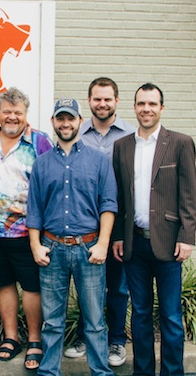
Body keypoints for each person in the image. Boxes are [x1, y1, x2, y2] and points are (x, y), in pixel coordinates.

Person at [112, 83, 196, 375]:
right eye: (141, 104)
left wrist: (187, 237)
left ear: (162, 108)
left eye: (152, 104)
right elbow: (122, 197)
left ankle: (173, 372)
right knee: (140, 314)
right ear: (134, 107)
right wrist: (119, 237)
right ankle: (144, 371)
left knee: (172, 317)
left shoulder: (180, 143)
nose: (146, 109)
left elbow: (189, 194)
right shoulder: (122, 146)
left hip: (169, 244)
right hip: (135, 245)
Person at [27, 98, 117, 376]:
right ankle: (48, 372)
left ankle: (101, 372)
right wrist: (35, 246)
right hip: (52, 249)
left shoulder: (98, 161)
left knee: (94, 320)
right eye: (60, 118)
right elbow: (34, 209)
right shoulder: (42, 164)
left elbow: (108, 204)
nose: (65, 124)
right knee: (52, 321)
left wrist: (102, 244)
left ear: (80, 121)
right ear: (53, 122)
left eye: (70, 118)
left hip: (89, 249)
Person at [0, 87, 52, 371]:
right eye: (7, 111)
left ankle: (34, 339)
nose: (12, 117)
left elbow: (51, 185)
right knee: (3, 282)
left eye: (18, 112)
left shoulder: (40, 143)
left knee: (31, 286)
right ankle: (11, 337)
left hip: (26, 231)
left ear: (25, 114)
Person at [64, 77, 135, 367]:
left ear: (116, 101)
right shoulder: (77, 133)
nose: (102, 104)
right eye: (97, 99)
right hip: (85, 224)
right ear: (89, 101)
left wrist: (119, 233)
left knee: (118, 287)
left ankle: (116, 341)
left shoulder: (131, 134)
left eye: (108, 99)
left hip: (120, 224)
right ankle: (85, 336)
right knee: (87, 285)